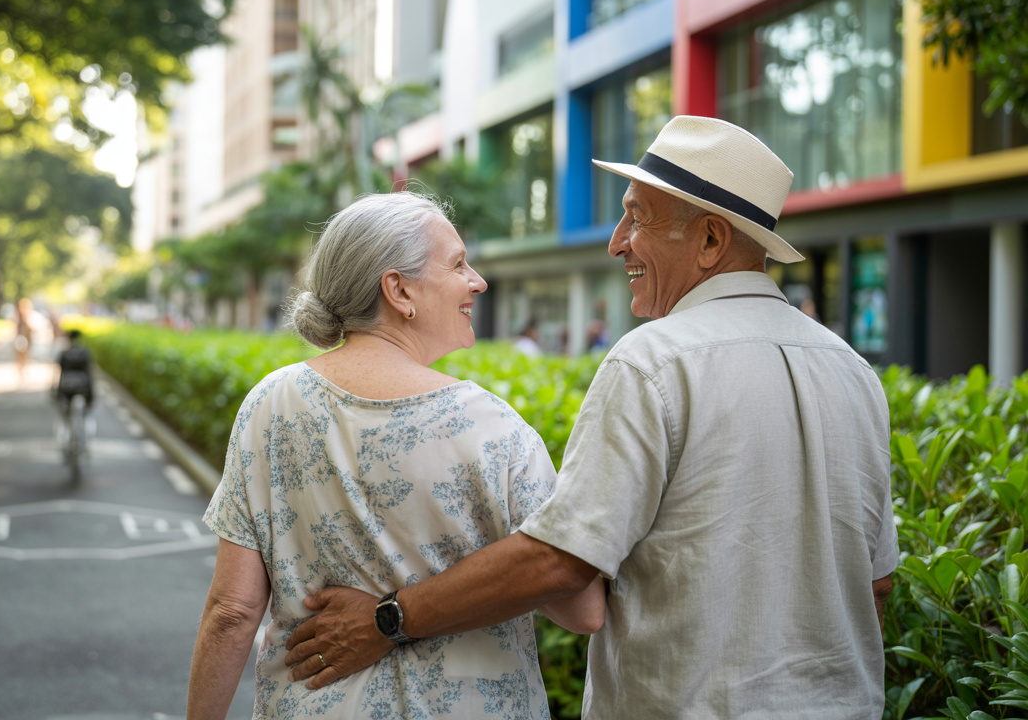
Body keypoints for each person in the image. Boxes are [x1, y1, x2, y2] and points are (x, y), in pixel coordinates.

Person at [283, 116, 898, 719]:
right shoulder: (854, 372)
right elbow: (876, 586)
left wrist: (387, 619)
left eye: (638, 217)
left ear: (712, 240)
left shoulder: (653, 361)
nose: (617, 241)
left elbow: (562, 561)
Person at [186, 192, 605, 720]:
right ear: (399, 289)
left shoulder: (271, 405)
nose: (477, 282)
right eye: (458, 264)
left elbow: (232, 611)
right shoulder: (492, 427)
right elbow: (582, 609)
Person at [53, 329, 94, 410]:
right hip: (83, 384)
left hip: (66, 384)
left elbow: (59, 371)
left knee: (64, 404)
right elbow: (89, 371)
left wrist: (55, 390)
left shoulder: (64, 353)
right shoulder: (85, 353)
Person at [12, 298, 33, 381]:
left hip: (27, 338)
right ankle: (20, 371)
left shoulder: (28, 316)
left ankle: (23, 370)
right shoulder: (18, 317)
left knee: (25, 355)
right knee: (19, 355)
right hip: (20, 338)